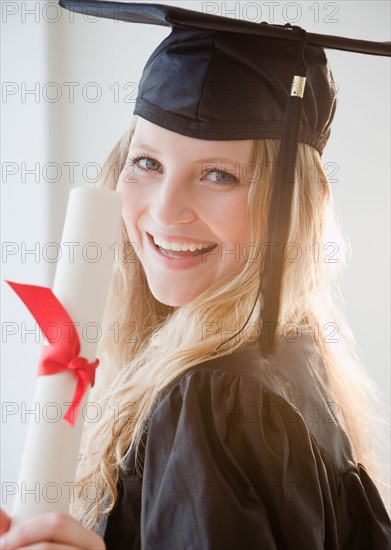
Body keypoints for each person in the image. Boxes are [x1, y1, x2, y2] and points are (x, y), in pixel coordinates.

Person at [1, 2, 390, 549]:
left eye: (218, 175)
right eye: (148, 163)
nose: (165, 210)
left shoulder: (213, 399)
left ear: (291, 207)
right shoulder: (293, 358)